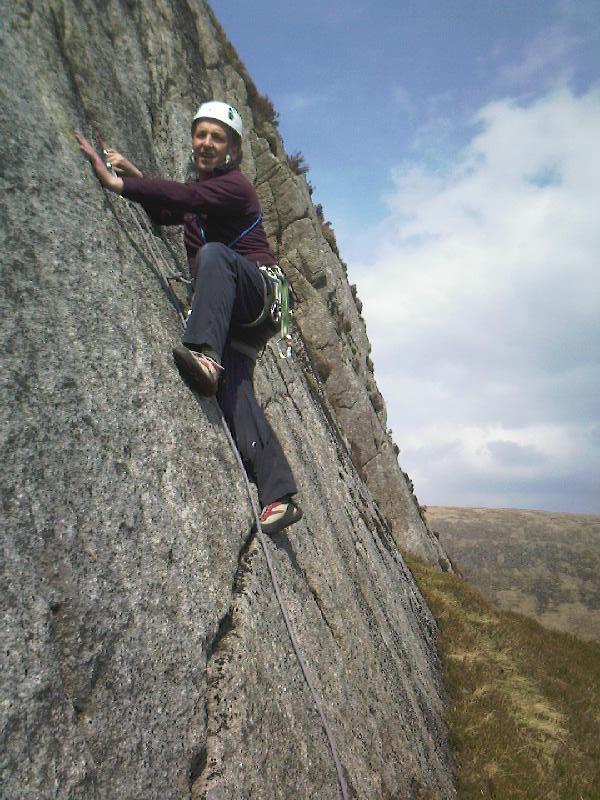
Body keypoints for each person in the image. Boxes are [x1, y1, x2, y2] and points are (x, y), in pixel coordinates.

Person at [75, 101, 302, 536]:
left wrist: (119, 183)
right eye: (201, 134)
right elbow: (169, 210)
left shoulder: (235, 186)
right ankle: (279, 494)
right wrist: (135, 175)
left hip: (258, 292)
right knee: (235, 394)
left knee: (216, 254)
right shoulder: (205, 198)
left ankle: (205, 355)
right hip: (243, 317)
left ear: (232, 148)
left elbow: (189, 197)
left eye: (217, 137)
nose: (207, 143)